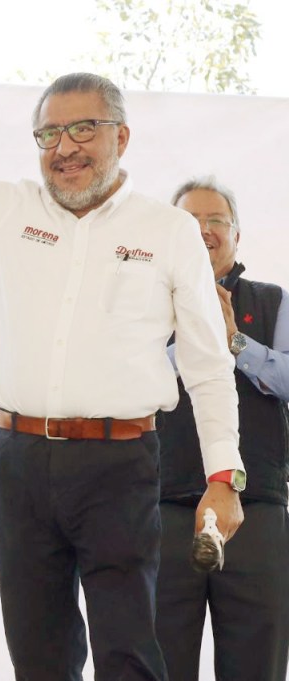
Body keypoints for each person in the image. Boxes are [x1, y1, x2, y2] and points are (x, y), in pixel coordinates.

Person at [0, 8, 244, 680]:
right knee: (38, 657)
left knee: (128, 654)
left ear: (121, 135)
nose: (64, 147)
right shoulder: (5, 210)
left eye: (83, 128)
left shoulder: (168, 230)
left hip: (120, 463)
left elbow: (207, 366)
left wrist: (224, 477)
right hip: (17, 463)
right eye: (48, 133)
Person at [156, 177, 289, 681]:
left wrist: (235, 341)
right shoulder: (143, 304)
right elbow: (127, 382)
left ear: (237, 235)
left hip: (256, 510)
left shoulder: (273, 301)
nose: (204, 230)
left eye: (216, 220)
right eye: (190, 221)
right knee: (157, 663)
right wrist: (195, 335)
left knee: (257, 664)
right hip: (162, 506)